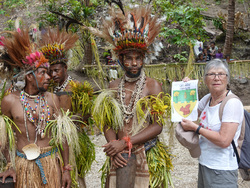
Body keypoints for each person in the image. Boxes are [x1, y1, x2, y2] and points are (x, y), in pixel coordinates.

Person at [89, 5, 173, 188]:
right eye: (128, 58)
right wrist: (114, 147)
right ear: (120, 60)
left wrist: (126, 142)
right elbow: (107, 123)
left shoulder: (153, 85)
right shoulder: (113, 86)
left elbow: (158, 125)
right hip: (120, 155)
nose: (134, 63)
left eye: (138, 58)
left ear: (143, 59)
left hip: (146, 152)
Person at [0, 29, 75, 188]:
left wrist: (66, 168)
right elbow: (3, 138)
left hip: (50, 163)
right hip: (23, 166)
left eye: (48, 73)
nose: (48, 77)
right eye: (43, 73)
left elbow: (62, 135)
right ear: (29, 76)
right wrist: (9, 165)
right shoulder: (10, 101)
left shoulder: (52, 99)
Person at [39, 28, 95, 187]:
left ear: (65, 67)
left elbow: (86, 116)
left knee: (75, 176)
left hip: (73, 140)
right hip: (53, 142)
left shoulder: (77, 88)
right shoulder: (47, 89)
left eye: (56, 70)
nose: (53, 75)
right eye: (50, 72)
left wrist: (69, 123)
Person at [181, 59, 244, 188]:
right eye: (211, 74)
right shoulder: (207, 99)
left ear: (227, 79)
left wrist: (197, 129)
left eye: (221, 74)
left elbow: (224, 140)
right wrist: (185, 90)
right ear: (205, 80)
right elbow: (186, 115)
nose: (216, 78)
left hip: (222, 169)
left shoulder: (232, 103)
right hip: (205, 163)